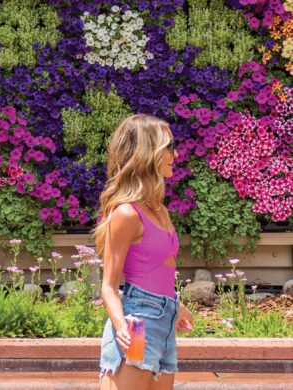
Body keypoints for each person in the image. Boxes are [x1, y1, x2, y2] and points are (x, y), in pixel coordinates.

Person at [94, 114, 193, 390]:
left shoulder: (159, 210)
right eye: (170, 146)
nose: (176, 153)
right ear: (148, 152)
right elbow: (109, 287)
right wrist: (122, 328)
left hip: (164, 323)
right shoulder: (126, 213)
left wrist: (176, 306)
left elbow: (158, 270)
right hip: (137, 323)